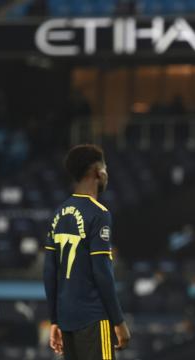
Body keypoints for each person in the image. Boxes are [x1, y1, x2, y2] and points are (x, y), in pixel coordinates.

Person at [43, 144, 130, 359]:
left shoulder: (59, 213)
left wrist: (54, 319)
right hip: (93, 318)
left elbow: (49, 271)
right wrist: (118, 321)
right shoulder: (99, 214)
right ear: (97, 173)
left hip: (66, 320)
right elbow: (102, 272)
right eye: (105, 168)